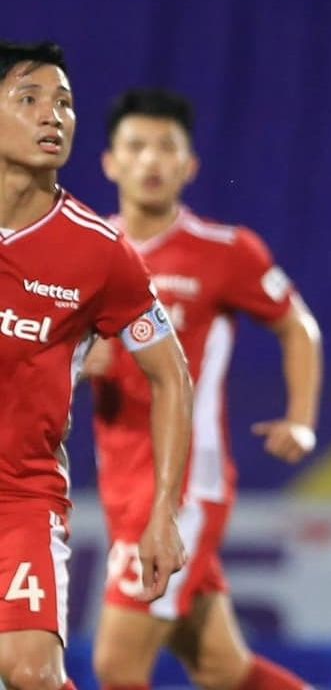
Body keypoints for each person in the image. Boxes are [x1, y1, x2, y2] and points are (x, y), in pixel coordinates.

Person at [83, 88, 323, 690]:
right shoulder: (86, 254)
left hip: (185, 484)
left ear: (190, 167)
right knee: (222, 668)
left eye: (167, 147)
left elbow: (297, 325)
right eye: (136, 147)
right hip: (120, 480)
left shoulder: (225, 252)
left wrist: (301, 417)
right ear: (110, 162)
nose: (151, 161)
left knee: (117, 664)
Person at [0, 42, 190, 690]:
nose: (53, 115)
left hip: (18, 498)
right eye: (29, 99)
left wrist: (163, 512)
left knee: (31, 674)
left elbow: (172, 376)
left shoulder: (100, 252)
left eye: (65, 103)